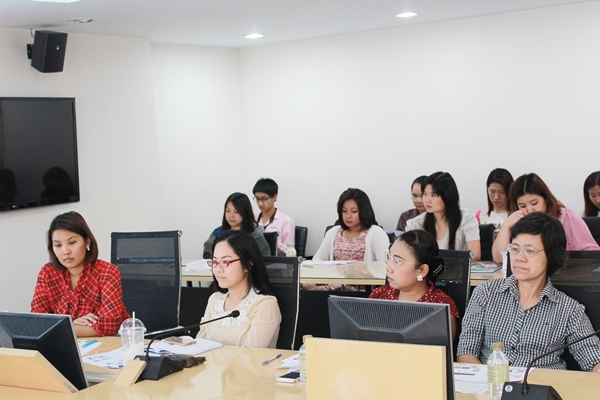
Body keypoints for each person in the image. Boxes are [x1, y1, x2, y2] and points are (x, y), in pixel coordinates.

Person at [457, 213, 600, 371]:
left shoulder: (568, 309)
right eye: (515, 248)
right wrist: (492, 382)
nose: (519, 258)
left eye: (529, 251)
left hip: (542, 385)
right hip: (490, 383)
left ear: (551, 255)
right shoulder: (486, 293)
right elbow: (466, 352)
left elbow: (593, 357)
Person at [31, 211, 129, 337]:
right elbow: (37, 322)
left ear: (87, 242)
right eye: (58, 245)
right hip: (66, 344)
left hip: (108, 343)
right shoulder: (47, 273)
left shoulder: (107, 272)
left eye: (72, 242)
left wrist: (65, 328)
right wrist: (71, 325)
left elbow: (109, 325)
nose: (65, 251)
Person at [197, 230, 282, 348]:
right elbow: (199, 346)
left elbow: (251, 354)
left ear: (248, 264)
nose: (217, 269)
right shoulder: (214, 299)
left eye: (225, 262)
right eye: (215, 261)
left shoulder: (264, 305)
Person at [370, 230, 460, 339]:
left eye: (398, 261)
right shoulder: (379, 295)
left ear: (421, 270)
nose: (388, 267)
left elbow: (440, 349)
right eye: (389, 257)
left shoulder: (441, 308)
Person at [492, 173, 599, 263]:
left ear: (546, 199)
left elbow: (592, 255)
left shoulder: (568, 218)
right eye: (522, 206)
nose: (530, 210)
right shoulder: (517, 222)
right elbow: (499, 259)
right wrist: (506, 225)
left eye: (534, 203)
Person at [405, 172, 481, 261]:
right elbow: (410, 258)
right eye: (425, 194)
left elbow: (474, 255)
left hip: (458, 269)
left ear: (447, 196)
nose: (426, 200)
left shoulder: (466, 217)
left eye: (433, 195)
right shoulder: (416, 224)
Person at [313, 188, 389, 262]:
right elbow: (317, 260)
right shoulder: (332, 233)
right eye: (344, 211)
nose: (348, 216)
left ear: (364, 211)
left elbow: (385, 263)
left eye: (354, 211)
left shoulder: (377, 233)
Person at [203, 192, 271, 259]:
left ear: (245, 213)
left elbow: (266, 260)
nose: (231, 215)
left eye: (236, 212)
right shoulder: (218, 233)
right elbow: (207, 253)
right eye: (228, 211)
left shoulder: (255, 235)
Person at [252, 178, 296, 256]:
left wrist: (272, 241)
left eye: (264, 199)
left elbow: (289, 252)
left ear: (274, 197)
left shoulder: (286, 221)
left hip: (276, 262)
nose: (260, 203)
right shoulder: (253, 220)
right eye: (257, 199)